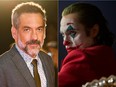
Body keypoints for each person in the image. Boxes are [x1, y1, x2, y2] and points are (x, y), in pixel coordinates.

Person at [58, 2, 116, 87]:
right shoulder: (108, 55)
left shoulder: (81, 57)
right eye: (63, 34)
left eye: (72, 32)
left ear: (94, 31)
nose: (65, 42)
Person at [0, 2, 55, 87]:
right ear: (14, 32)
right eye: (27, 29)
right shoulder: (2, 65)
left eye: (39, 29)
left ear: (44, 32)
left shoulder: (48, 60)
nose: (34, 37)